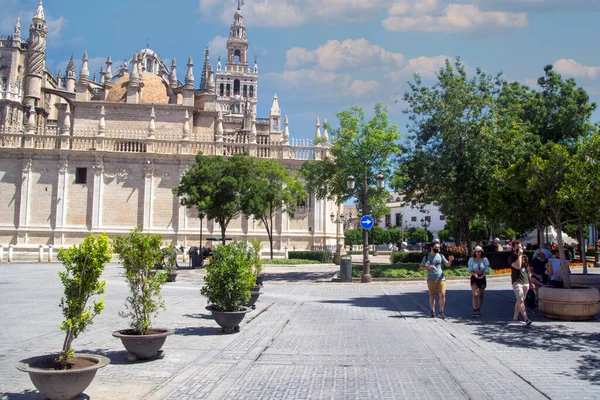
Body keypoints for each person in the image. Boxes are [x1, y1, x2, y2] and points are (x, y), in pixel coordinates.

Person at [420, 243, 455, 319]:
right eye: (436, 247)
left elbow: (447, 265)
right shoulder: (426, 257)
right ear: (432, 248)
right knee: (432, 295)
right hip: (431, 279)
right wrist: (428, 267)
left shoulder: (441, 256)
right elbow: (421, 267)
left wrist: (450, 261)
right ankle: (432, 311)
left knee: (442, 294)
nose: (437, 249)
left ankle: (441, 311)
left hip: (441, 278)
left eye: (438, 248)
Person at [508, 241, 533, 326]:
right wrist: (519, 255)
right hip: (517, 281)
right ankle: (526, 319)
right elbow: (518, 267)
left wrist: (530, 281)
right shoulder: (511, 258)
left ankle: (515, 317)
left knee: (520, 300)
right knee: (521, 300)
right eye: (518, 247)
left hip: (525, 281)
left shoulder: (525, 257)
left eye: (521, 247)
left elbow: (527, 269)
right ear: (514, 248)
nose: (520, 249)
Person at [467, 246, 490, 317]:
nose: (477, 253)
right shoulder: (472, 259)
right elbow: (469, 269)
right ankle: (474, 309)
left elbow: (487, 269)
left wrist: (483, 274)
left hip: (482, 277)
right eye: (476, 251)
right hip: (474, 277)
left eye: (479, 251)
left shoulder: (485, 259)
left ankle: (478, 309)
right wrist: (474, 274)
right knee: (475, 294)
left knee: (481, 295)